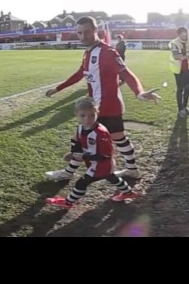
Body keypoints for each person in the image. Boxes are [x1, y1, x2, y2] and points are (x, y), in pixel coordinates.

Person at [46, 17, 160, 180]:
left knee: (88, 138)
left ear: (95, 31)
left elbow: (126, 73)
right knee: (102, 138)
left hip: (108, 106)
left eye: (86, 32)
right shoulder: (88, 53)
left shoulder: (107, 52)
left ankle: (69, 173)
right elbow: (79, 74)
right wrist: (58, 88)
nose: (82, 36)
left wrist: (139, 92)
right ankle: (131, 170)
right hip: (97, 107)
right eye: (79, 33)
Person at [45, 98, 138, 208]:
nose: (87, 119)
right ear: (76, 115)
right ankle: (129, 193)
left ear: (97, 113)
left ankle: (68, 202)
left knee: (81, 183)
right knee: (112, 178)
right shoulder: (80, 127)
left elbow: (105, 155)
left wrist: (83, 156)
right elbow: (76, 140)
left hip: (102, 165)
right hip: (95, 163)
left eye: (91, 115)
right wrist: (74, 152)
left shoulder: (101, 133)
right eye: (83, 116)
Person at [169, 27, 189, 118]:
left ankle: (185, 107)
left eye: (186, 33)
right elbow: (176, 56)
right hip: (178, 70)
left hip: (188, 69)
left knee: (187, 89)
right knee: (180, 89)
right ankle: (180, 109)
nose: (185, 36)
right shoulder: (174, 43)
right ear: (178, 35)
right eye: (183, 34)